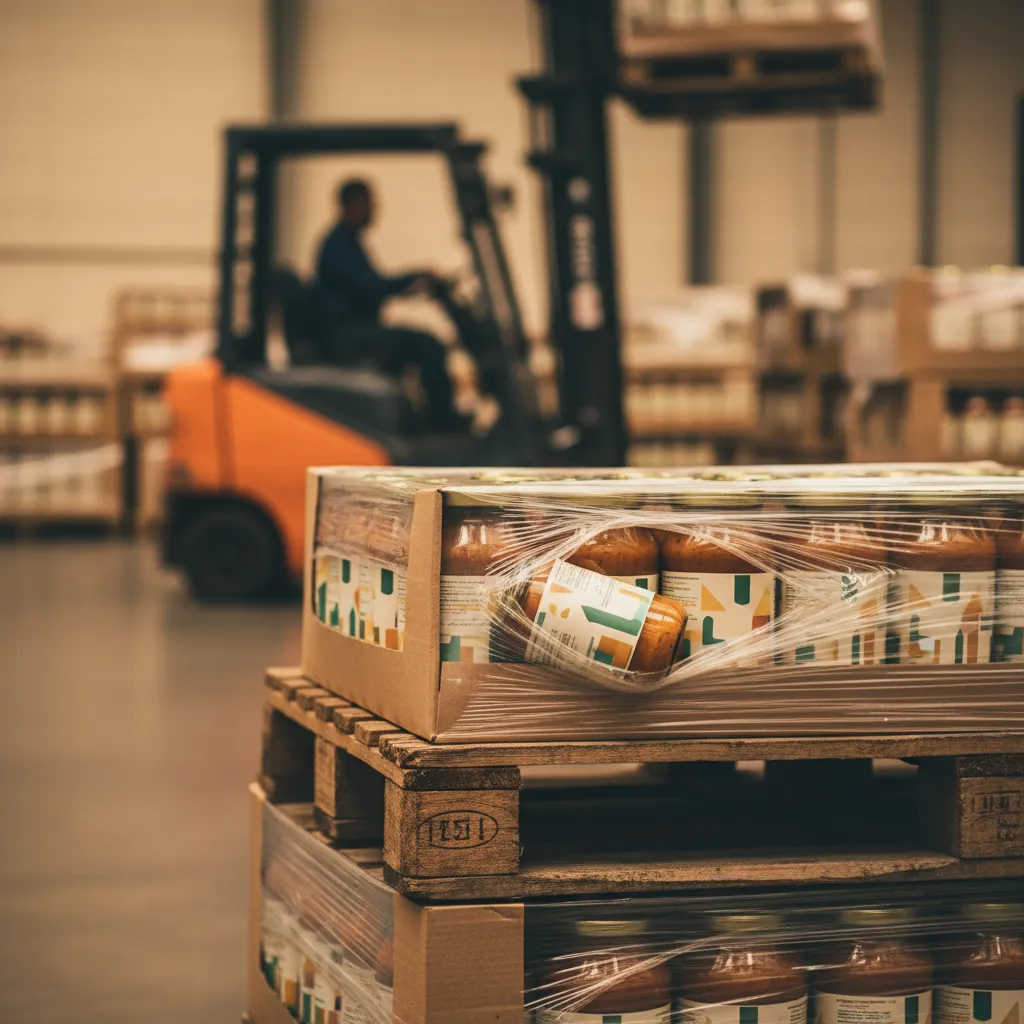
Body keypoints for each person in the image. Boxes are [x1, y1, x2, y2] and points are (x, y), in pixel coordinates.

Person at [313, 178, 459, 428]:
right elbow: (372, 287)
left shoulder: (348, 242)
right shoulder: (337, 245)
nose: (375, 209)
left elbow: (373, 287)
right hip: (347, 333)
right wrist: (416, 276)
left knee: (419, 342)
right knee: (429, 345)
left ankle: (423, 420)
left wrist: (413, 284)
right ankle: (442, 424)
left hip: (354, 329)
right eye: (369, 203)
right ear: (352, 204)